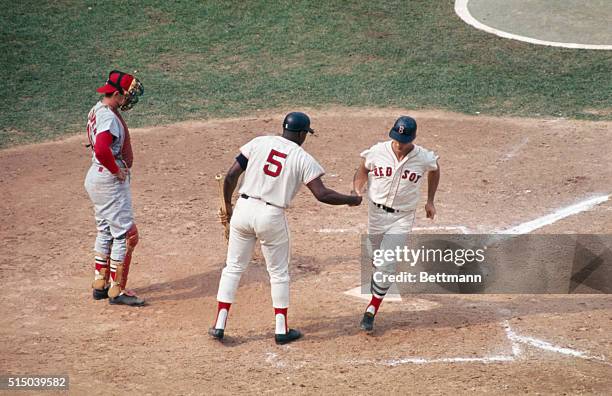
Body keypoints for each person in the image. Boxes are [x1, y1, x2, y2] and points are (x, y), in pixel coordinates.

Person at [210, 112, 362, 344]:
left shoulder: (259, 142)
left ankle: (219, 324)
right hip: (270, 216)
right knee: (278, 272)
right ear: (302, 134)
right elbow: (322, 194)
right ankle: (281, 329)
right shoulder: (302, 158)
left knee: (232, 267)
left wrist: (229, 205)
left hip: (244, 208)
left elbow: (231, 175)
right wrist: (351, 200)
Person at [352, 116, 440, 332]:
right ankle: (379, 275)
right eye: (397, 139)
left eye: (404, 140)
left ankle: (371, 310)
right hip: (376, 213)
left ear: (413, 138)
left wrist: (430, 201)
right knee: (377, 257)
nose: (399, 144)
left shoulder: (423, 157)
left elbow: (435, 169)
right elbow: (363, 169)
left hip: (403, 217)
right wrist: (357, 188)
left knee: (387, 264)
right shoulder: (377, 151)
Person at [84, 70, 145, 306]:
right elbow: (101, 149)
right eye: (126, 96)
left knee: (105, 230)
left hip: (96, 178)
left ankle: (100, 283)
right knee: (126, 234)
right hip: (108, 181)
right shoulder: (109, 117)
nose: (128, 100)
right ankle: (116, 290)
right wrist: (116, 170)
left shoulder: (98, 109)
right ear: (117, 94)